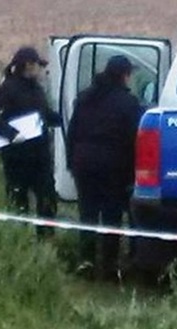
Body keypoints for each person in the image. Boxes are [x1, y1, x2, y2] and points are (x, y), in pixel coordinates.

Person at [67, 55, 144, 280]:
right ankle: (109, 266)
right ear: (124, 75)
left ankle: (87, 260)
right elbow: (135, 138)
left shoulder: (85, 97)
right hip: (113, 166)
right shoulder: (128, 103)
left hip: (84, 163)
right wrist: (134, 171)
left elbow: (73, 133)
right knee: (112, 216)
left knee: (87, 213)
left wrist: (72, 161)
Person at [0, 46, 60, 238]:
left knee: (47, 200)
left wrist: (59, 119)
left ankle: (46, 239)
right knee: (18, 202)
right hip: (17, 158)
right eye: (37, 65)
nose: (40, 70)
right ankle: (19, 241)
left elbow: (43, 114)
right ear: (27, 65)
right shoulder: (7, 89)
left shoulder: (37, 89)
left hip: (40, 157)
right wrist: (12, 135)